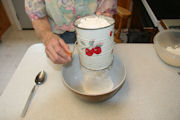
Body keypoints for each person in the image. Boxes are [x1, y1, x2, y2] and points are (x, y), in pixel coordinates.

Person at [25, 0, 116, 64]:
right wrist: (47, 36)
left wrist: (103, 20)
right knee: (64, 65)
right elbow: (37, 16)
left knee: (97, 63)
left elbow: (105, 9)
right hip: (59, 34)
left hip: (94, 30)